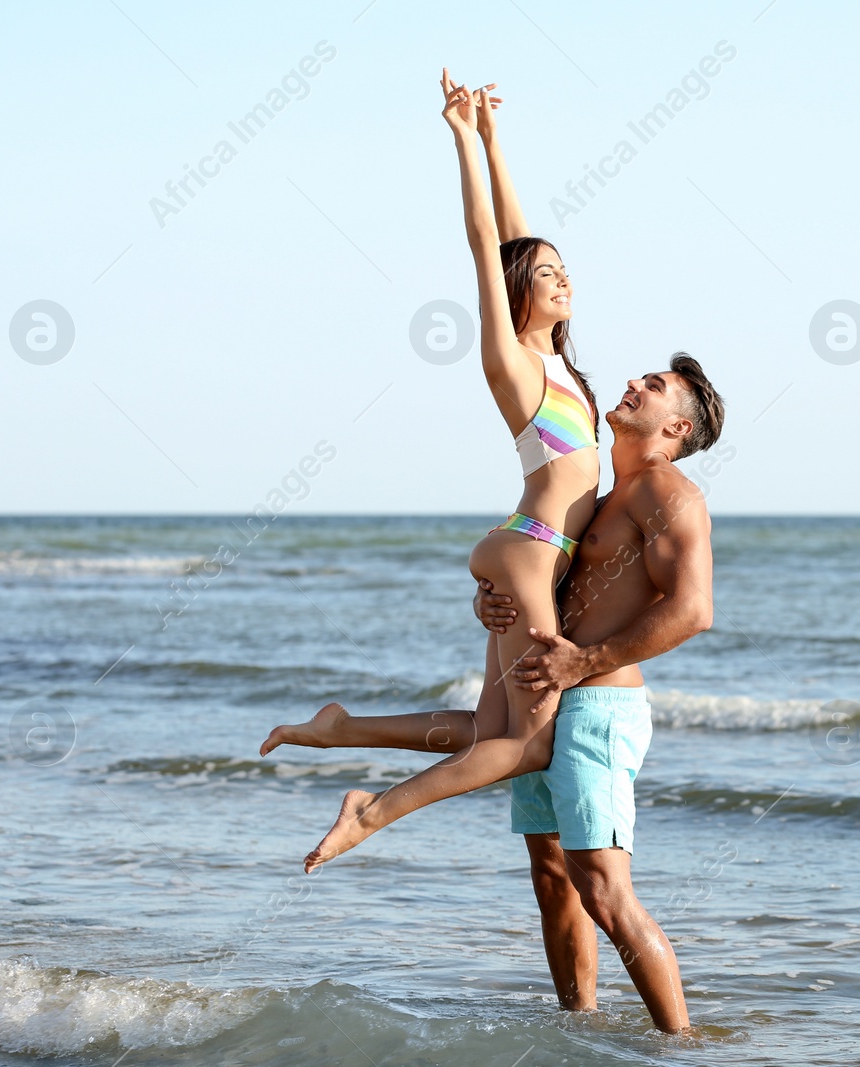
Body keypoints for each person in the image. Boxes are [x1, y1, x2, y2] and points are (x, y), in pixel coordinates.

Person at [261, 358, 727, 1033]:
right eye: (641, 376)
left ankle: (681, 1044)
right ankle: (580, 1028)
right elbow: (554, 575)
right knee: (552, 878)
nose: (634, 383)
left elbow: (694, 609)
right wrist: (495, 595)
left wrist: (585, 660)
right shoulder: (601, 496)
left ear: (677, 425)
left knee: (604, 889)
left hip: (598, 708)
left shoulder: (668, 491)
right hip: (555, 693)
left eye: (654, 387)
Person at [293, 71, 602, 871]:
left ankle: (343, 729)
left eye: (566, 268)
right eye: (547, 276)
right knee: (529, 746)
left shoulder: (561, 365)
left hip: (529, 549)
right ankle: (371, 810)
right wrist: (462, 138)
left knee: (487, 730)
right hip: (532, 549)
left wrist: (499, 138)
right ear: (515, 297)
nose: (562, 277)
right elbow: (486, 245)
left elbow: (517, 241)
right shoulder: (514, 364)